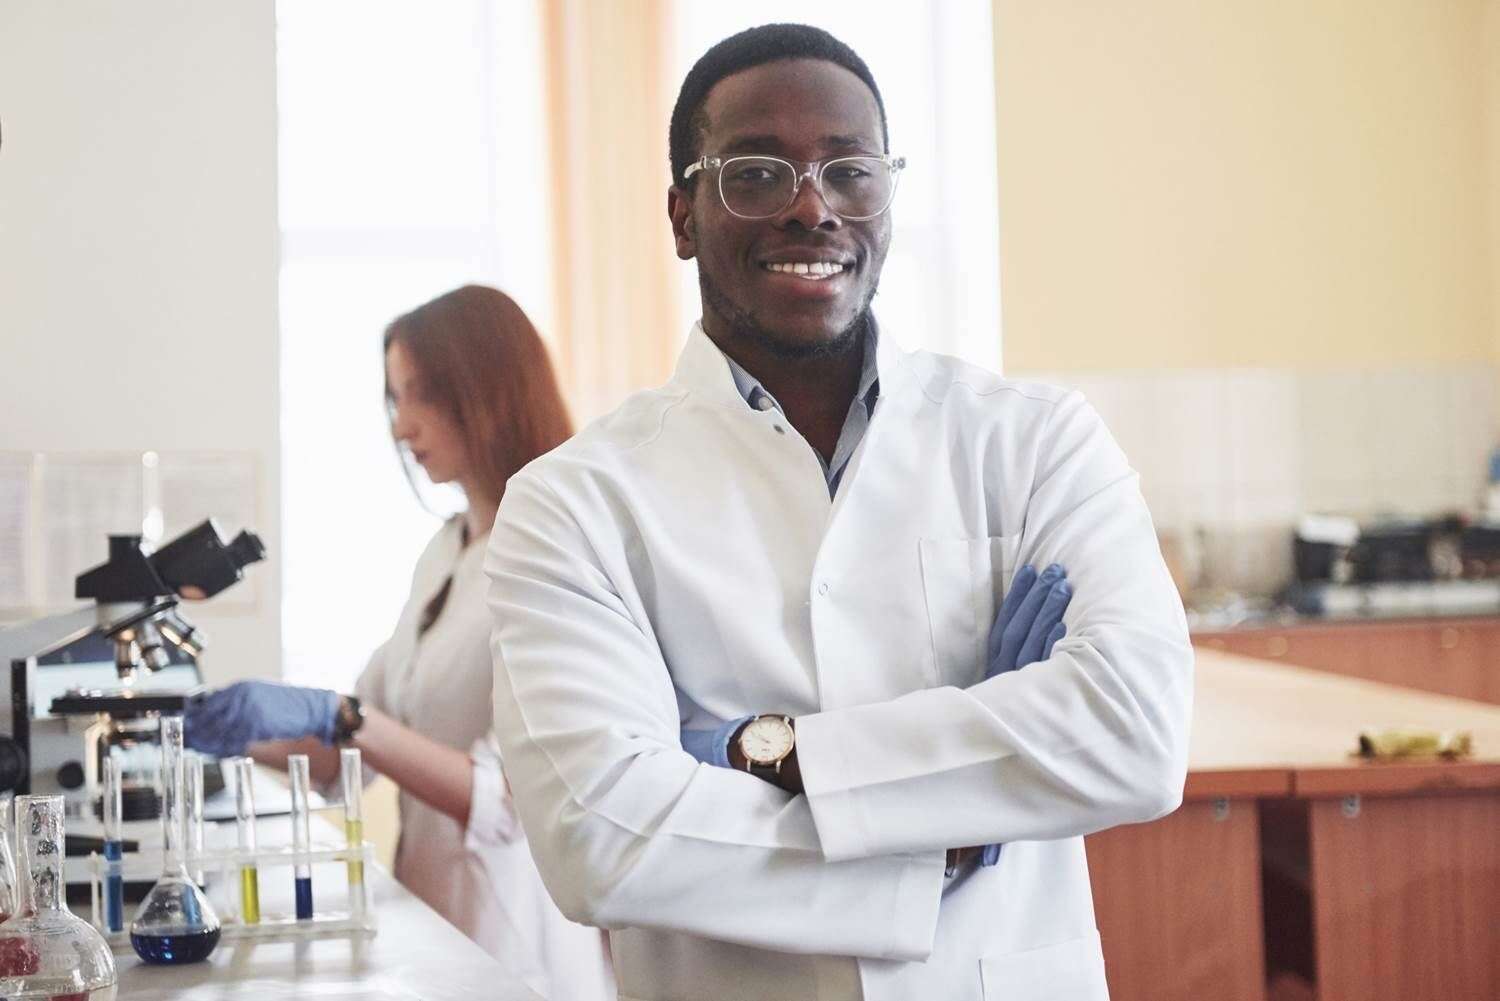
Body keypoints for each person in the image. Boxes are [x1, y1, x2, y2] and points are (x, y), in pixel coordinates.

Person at [483, 23, 1193, 1001]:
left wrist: (766, 749)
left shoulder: (1031, 441)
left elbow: (1136, 732)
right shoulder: (573, 504)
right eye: (759, 174)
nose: (813, 207)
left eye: (850, 170)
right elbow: (602, 833)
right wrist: (951, 824)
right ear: (683, 214)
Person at [184, 285, 613, 1000]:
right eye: (394, 398)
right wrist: (219, 728)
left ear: (487, 388)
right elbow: (347, 747)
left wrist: (343, 716)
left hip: (518, 942)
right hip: (432, 928)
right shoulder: (445, 552)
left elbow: (508, 798)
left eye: (419, 395)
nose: (401, 425)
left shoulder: (557, 549)